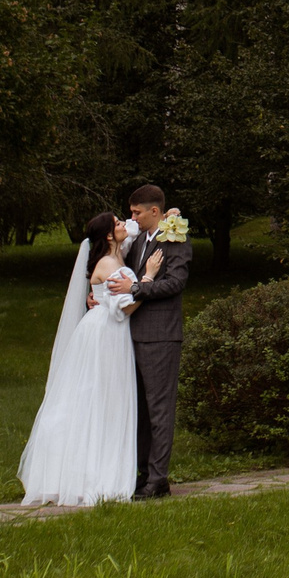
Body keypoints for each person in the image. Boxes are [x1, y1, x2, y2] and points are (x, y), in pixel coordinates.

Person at [16, 211, 160, 506]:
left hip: (104, 330)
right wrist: (148, 277)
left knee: (94, 398)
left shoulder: (115, 255)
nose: (125, 225)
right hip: (106, 334)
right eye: (118, 223)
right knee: (101, 399)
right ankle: (93, 475)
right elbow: (127, 307)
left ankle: (83, 469)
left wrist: (167, 214)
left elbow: (135, 228)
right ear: (108, 235)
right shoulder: (110, 264)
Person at [111, 185, 191, 498]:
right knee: (140, 411)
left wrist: (138, 289)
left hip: (161, 336)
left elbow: (176, 282)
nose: (132, 217)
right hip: (132, 334)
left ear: (154, 211)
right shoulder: (138, 242)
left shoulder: (177, 239)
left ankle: (159, 480)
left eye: (137, 212)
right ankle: (143, 475)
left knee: (159, 410)